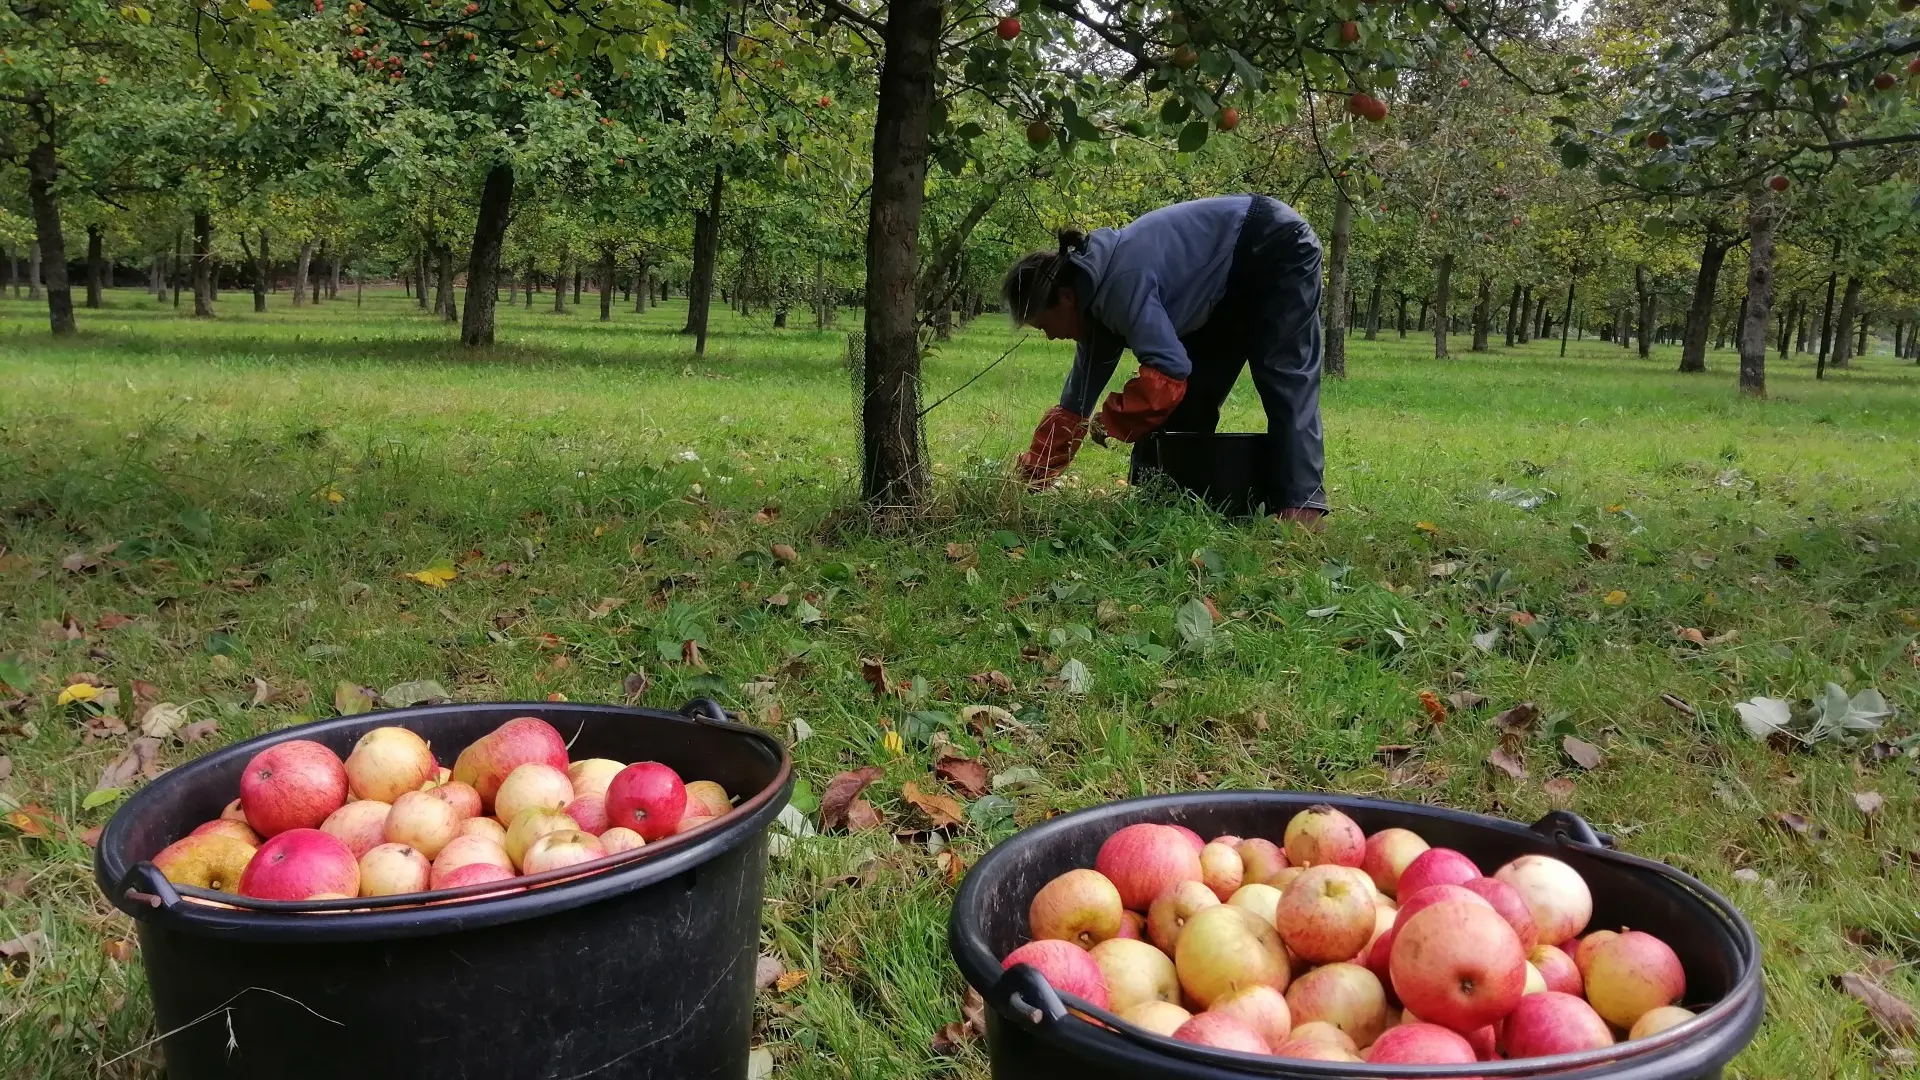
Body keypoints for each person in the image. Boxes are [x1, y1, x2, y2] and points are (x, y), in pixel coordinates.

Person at [1002, 193, 1327, 524]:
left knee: (1284, 373)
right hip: (1224, 282)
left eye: (1044, 325)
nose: (1050, 336)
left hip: (1274, 242)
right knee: (1191, 397)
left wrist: (1112, 419)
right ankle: (1166, 498)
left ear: (1065, 298)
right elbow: (1075, 404)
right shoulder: (1092, 306)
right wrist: (1033, 475)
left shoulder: (1119, 285)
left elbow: (1168, 371)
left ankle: (1303, 509)